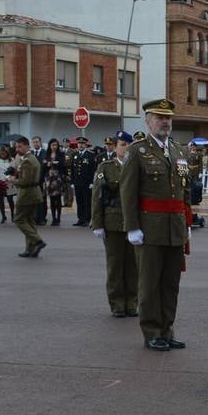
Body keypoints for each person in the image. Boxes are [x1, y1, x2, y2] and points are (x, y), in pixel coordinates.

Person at [120, 98, 190, 351]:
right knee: (149, 284)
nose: (165, 122)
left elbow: (184, 189)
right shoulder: (137, 151)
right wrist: (132, 227)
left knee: (171, 283)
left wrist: (186, 220)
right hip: (149, 228)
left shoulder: (179, 151)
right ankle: (152, 332)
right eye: (160, 117)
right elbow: (128, 192)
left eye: (168, 117)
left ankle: (167, 330)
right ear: (148, 121)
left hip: (174, 227)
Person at [92, 131, 139, 318]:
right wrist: (97, 223)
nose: (125, 148)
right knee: (115, 266)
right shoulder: (106, 167)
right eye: (122, 145)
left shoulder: (137, 166)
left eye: (128, 145)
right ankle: (117, 304)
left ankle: (132, 303)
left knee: (133, 266)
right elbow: (98, 197)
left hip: (134, 223)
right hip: (112, 222)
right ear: (115, 147)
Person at [11, 135, 45, 258]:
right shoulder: (29, 158)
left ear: (26, 146)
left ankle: (37, 241)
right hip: (33, 194)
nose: (17, 149)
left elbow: (24, 182)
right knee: (30, 222)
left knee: (19, 219)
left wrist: (12, 180)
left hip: (27, 195)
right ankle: (31, 249)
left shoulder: (28, 161)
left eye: (20, 147)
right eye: (16, 147)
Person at [69, 138, 98, 226]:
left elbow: (93, 170)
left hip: (87, 183)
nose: (80, 145)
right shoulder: (75, 155)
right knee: (79, 201)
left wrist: (92, 182)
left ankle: (87, 219)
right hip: (77, 183)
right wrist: (72, 182)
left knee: (87, 202)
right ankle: (80, 219)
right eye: (79, 143)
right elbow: (73, 169)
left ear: (86, 145)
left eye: (82, 143)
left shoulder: (90, 155)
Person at [43, 138, 69, 226]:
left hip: (58, 178)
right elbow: (44, 165)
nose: (54, 147)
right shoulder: (47, 154)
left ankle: (58, 218)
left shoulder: (61, 154)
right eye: (53, 145)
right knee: (51, 199)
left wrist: (56, 163)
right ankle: (53, 218)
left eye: (56, 145)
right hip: (49, 178)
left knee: (58, 199)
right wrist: (48, 164)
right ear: (50, 146)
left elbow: (63, 165)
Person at [0, 145, 15, 222]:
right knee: (1, 200)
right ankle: (3, 216)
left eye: (4, 153)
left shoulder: (12, 160)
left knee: (10, 199)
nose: (3, 155)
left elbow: (13, 171)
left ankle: (13, 215)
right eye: (1, 153)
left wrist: (8, 178)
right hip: (0, 183)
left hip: (9, 182)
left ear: (7, 153)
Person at [30, 135, 49, 225]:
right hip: (33, 181)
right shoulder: (30, 154)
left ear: (40, 142)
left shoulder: (45, 153)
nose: (35, 143)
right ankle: (35, 218)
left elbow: (46, 167)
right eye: (34, 142)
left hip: (42, 180)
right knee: (34, 200)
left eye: (37, 142)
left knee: (42, 199)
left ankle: (42, 218)